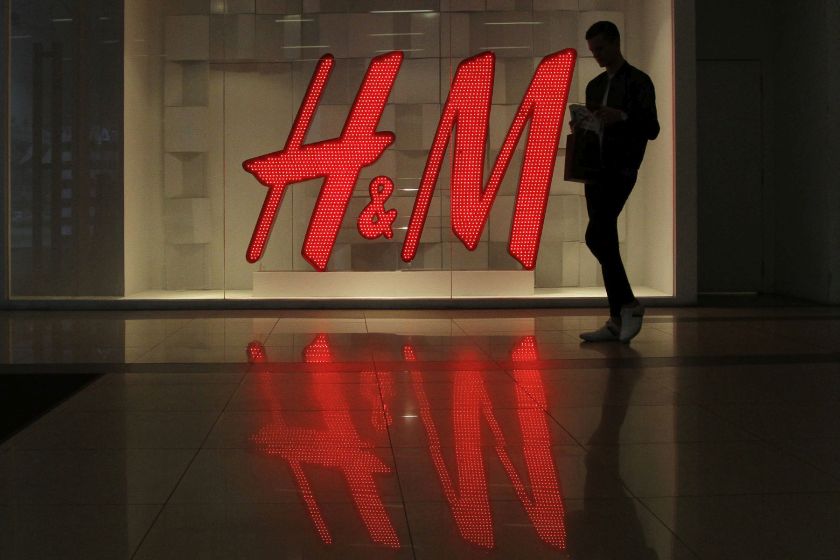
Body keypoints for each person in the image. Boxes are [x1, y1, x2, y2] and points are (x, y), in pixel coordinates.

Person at [575, 21, 660, 343]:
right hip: (595, 167)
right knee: (602, 237)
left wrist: (621, 116)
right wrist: (584, 123)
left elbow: (651, 127)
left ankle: (626, 306)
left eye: (600, 49)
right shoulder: (595, 86)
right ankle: (618, 313)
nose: (596, 55)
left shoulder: (638, 82)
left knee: (597, 234)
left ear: (615, 43)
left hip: (621, 167)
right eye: (593, 50)